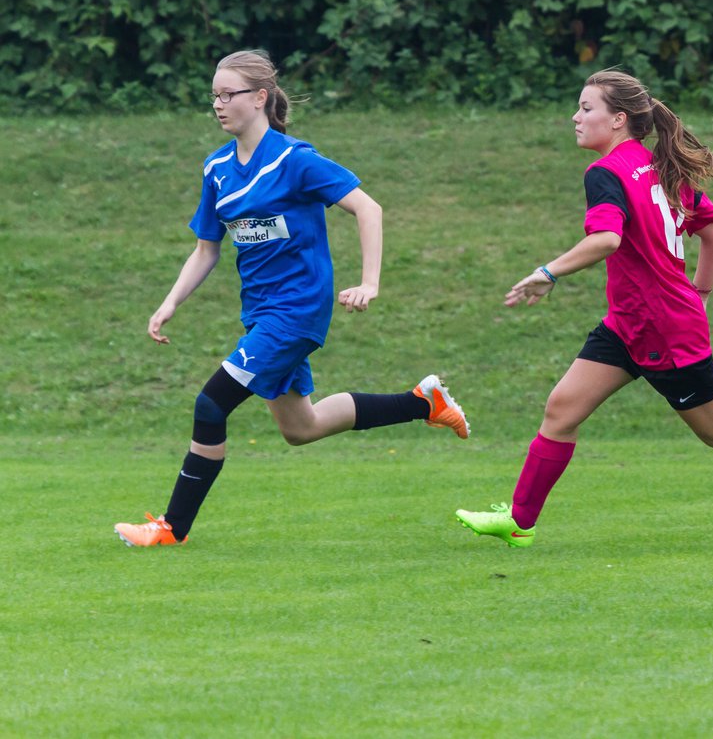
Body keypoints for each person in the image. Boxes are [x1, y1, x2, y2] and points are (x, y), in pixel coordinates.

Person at [455, 70, 713, 548]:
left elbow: (607, 238)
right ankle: (520, 522)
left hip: (666, 329)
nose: (575, 117)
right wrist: (703, 293)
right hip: (631, 323)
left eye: (586, 108)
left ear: (617, 119)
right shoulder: (655, 166)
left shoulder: (606, 173)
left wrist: (548, 273)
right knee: (562, 410)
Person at [114, 50, 469, 548]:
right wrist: (170, 302)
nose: (218, 104)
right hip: (261, 314)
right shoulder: (216, 169)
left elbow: (369, 209)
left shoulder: (295, 160)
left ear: (259, 98)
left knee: (210, 404)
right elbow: (205, 248)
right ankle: (422, 403)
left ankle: (171, 529)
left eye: (228, 94)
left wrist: (370, 282)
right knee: (301, 427)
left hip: (297, 311)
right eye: (213, 95)